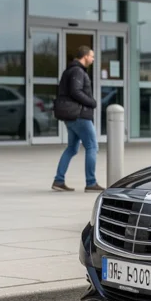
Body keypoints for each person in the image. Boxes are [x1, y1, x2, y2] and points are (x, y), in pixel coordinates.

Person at [52, 45, 104, 193]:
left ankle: (59, 180)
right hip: (79, 115)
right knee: (92, 146)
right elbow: (76, 91)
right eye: (92, 56)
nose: (93, 59)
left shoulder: (70, 70)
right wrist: (92, 102)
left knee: (72, 148)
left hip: (71, 116)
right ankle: (91, 183)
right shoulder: (77, 71)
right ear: (85, 56)